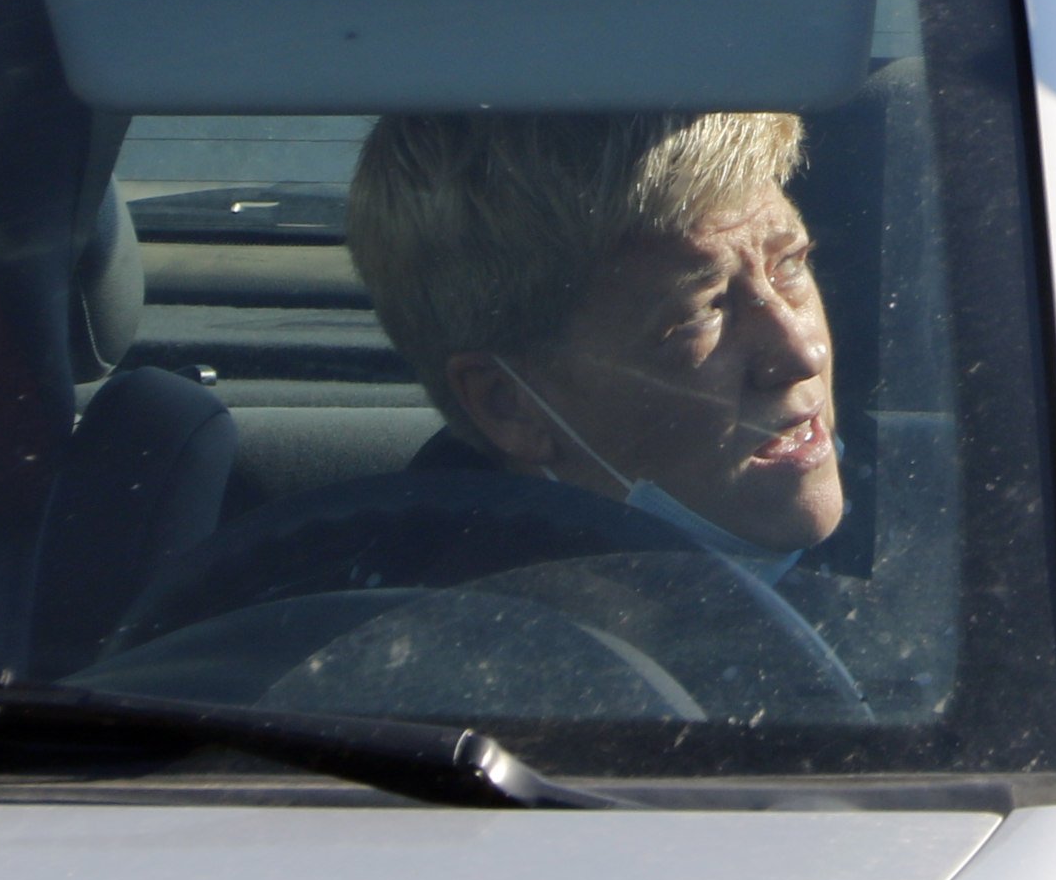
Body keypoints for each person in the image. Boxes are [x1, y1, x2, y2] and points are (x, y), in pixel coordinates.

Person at [344, 108, 845, 571]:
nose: (802, 353)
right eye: (702, 311)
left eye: (790, 265)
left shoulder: (907, 503)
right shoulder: (444, 646)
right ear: (510, 405)